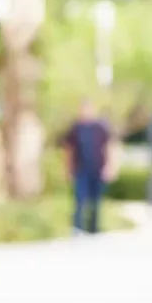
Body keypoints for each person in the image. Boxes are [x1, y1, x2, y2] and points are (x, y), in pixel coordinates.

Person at [62, 98, 114, 235]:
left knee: (96, 200)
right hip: (81, 169)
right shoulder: (75, 129)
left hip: (97, 168)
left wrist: (109, 167)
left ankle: (94, 229)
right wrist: (68, 169)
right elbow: (68, 150)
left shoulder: (101, 128)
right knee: (80, 199)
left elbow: (109, 147)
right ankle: (78, 227)